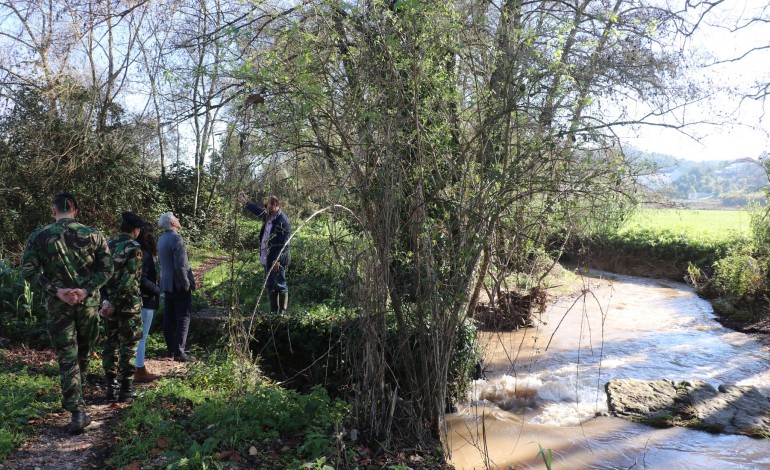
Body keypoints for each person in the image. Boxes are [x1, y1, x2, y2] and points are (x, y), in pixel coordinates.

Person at [20, 193, 113, 434]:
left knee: (66, 356)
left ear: (53, 211)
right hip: (88, 305)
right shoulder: (94, 235)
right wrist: (84, 290)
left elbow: (28, 271)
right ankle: (79, 407)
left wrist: (58, 291)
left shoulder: (39, 236)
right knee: (82, 353)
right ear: (75, 210)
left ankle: (77, 411)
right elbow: (107, 269)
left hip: (59, 306)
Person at [101, 211, 145, 403]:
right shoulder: (133, 249)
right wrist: (113, 303)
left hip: (108, 305)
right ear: (135, 230)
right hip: (127, 306)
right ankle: (126, 387)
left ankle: (111, 386)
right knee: (129, 345)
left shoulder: (107, 246)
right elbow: (128, 280)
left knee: (111, 344)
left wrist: (105, 301)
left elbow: (99, 275)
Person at [239, 194, 291, 313]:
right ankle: (274, 312)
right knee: (271, 284)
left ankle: (282, 313)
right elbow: (258, 211)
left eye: (269, 206)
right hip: (267, 257)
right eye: (266, 206)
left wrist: (277, 260)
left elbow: (284, 244)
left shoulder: (283, 221)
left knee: (280, 284)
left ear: (275, 205)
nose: (267, 208)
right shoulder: (269, 216)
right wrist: (246, 203)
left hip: (277, 259)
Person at [157, 212, 195, 362]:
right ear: (173, 223)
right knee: (183, 317)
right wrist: (186, 284)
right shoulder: (176, 238)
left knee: (169, 316)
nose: (179, 220)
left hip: (166, 283)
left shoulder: (161, 239)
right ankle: (179, 351)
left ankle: (171, 348)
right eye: (176, 218)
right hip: (178, 284)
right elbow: (180, 266)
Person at [134, 221, 161, 382]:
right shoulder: (144, 254)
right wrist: (158, 290)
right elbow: (142, 279)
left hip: (140, 299)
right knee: (141, 336)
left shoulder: (139, 251)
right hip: (145, 300)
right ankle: (139, 369)